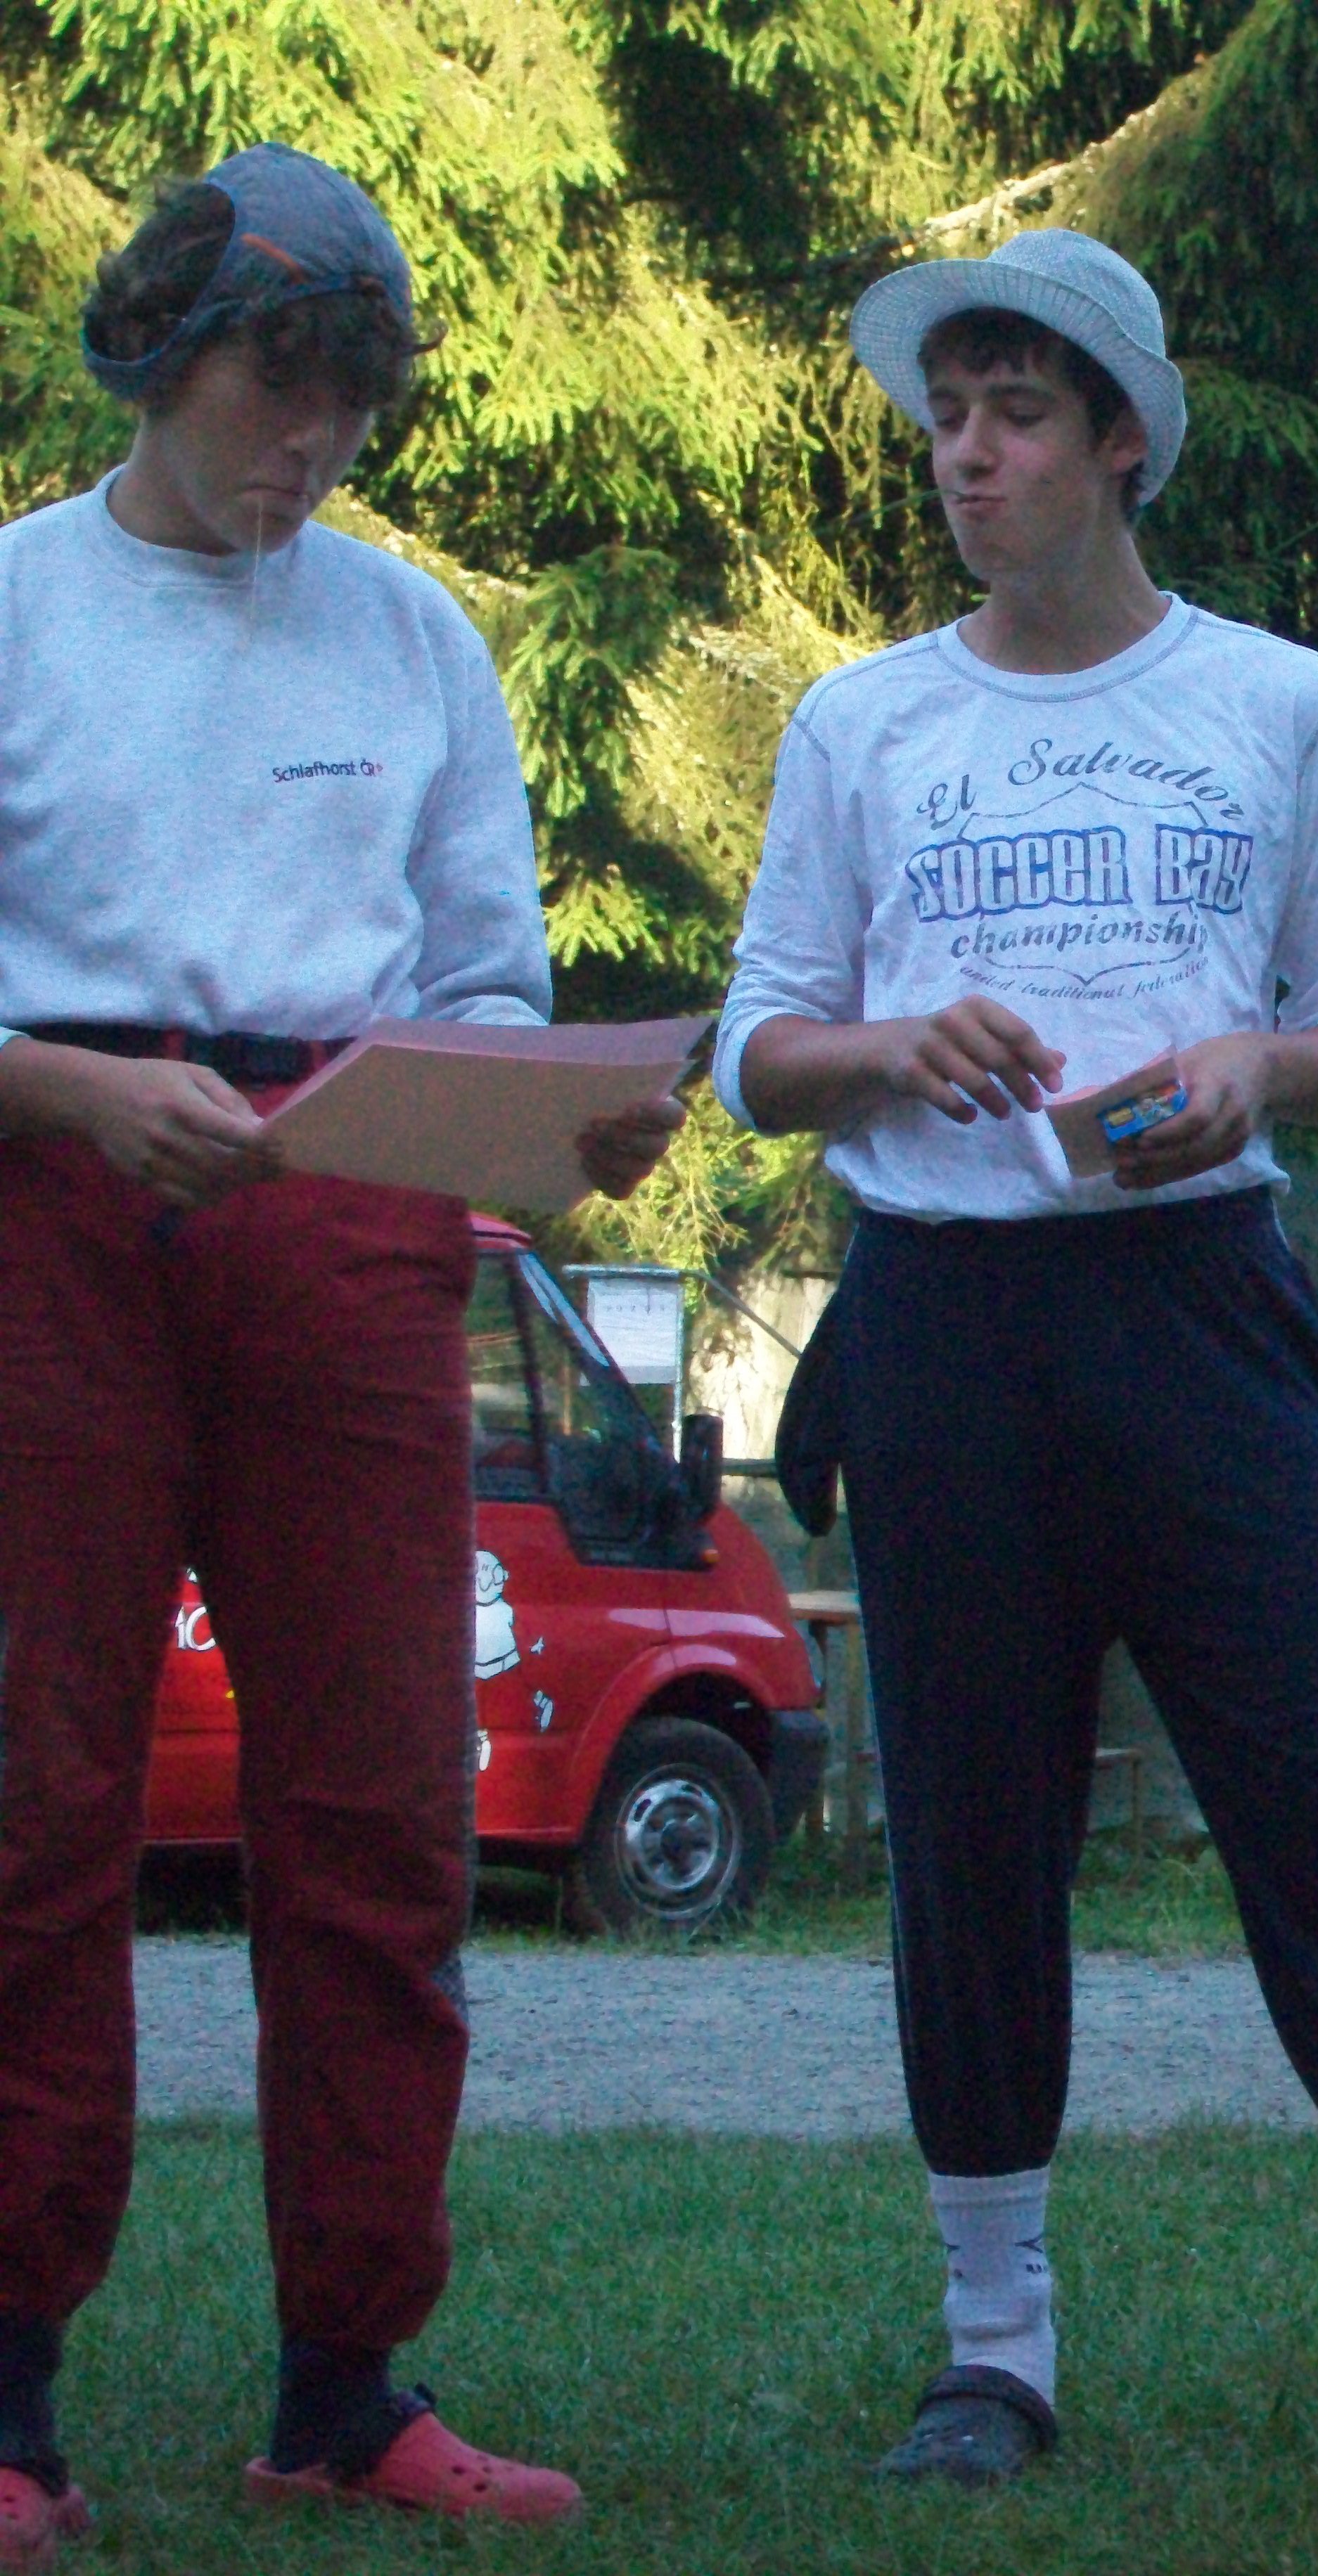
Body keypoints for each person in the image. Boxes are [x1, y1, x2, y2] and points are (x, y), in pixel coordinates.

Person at [714, 227, 1318, 2490]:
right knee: (970, 1836)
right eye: (948, 416)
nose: (968, 455)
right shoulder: (864, 724)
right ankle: (995, 2348)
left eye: (1017, 415)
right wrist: (887, 1047)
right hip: (945, 1326)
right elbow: (757, 1050)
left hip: (1207, 1312)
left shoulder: (1279, 705)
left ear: (1123, 443)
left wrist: (1257, 1070)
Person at [0, 143, 682, 2563]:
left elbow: (483, 968)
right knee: (38, 1798)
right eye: (271, 391)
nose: (307, 446)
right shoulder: (16, 602)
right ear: (160, 358)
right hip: (50, 1205)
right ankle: (9, 2406)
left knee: (386, 1806)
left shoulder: (410, 638)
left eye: (346, 406)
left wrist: (552, 1121)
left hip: (357, 1222)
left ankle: (349, 2384)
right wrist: (72, 1092)